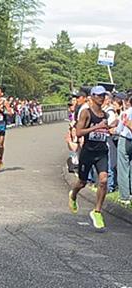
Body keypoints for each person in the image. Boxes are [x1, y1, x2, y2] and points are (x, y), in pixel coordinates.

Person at [68, 86, 113, 230]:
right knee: (82, 182)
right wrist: (96, 127)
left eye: (103, 95)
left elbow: (107, 131)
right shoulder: (86, 113)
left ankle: (97, 211)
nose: (101, 98)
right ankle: (73, 194)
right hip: (88, 151)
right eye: (99, 95)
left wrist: (111, 128)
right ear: (92, 96)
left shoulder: (105, 115)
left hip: (101, 152)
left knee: (104, 180)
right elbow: (79, 132)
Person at [116, 94, 132, 205]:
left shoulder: (126, 112)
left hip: (125, 139)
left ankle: (124, 196)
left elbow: (118, 129)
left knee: (123, 168)